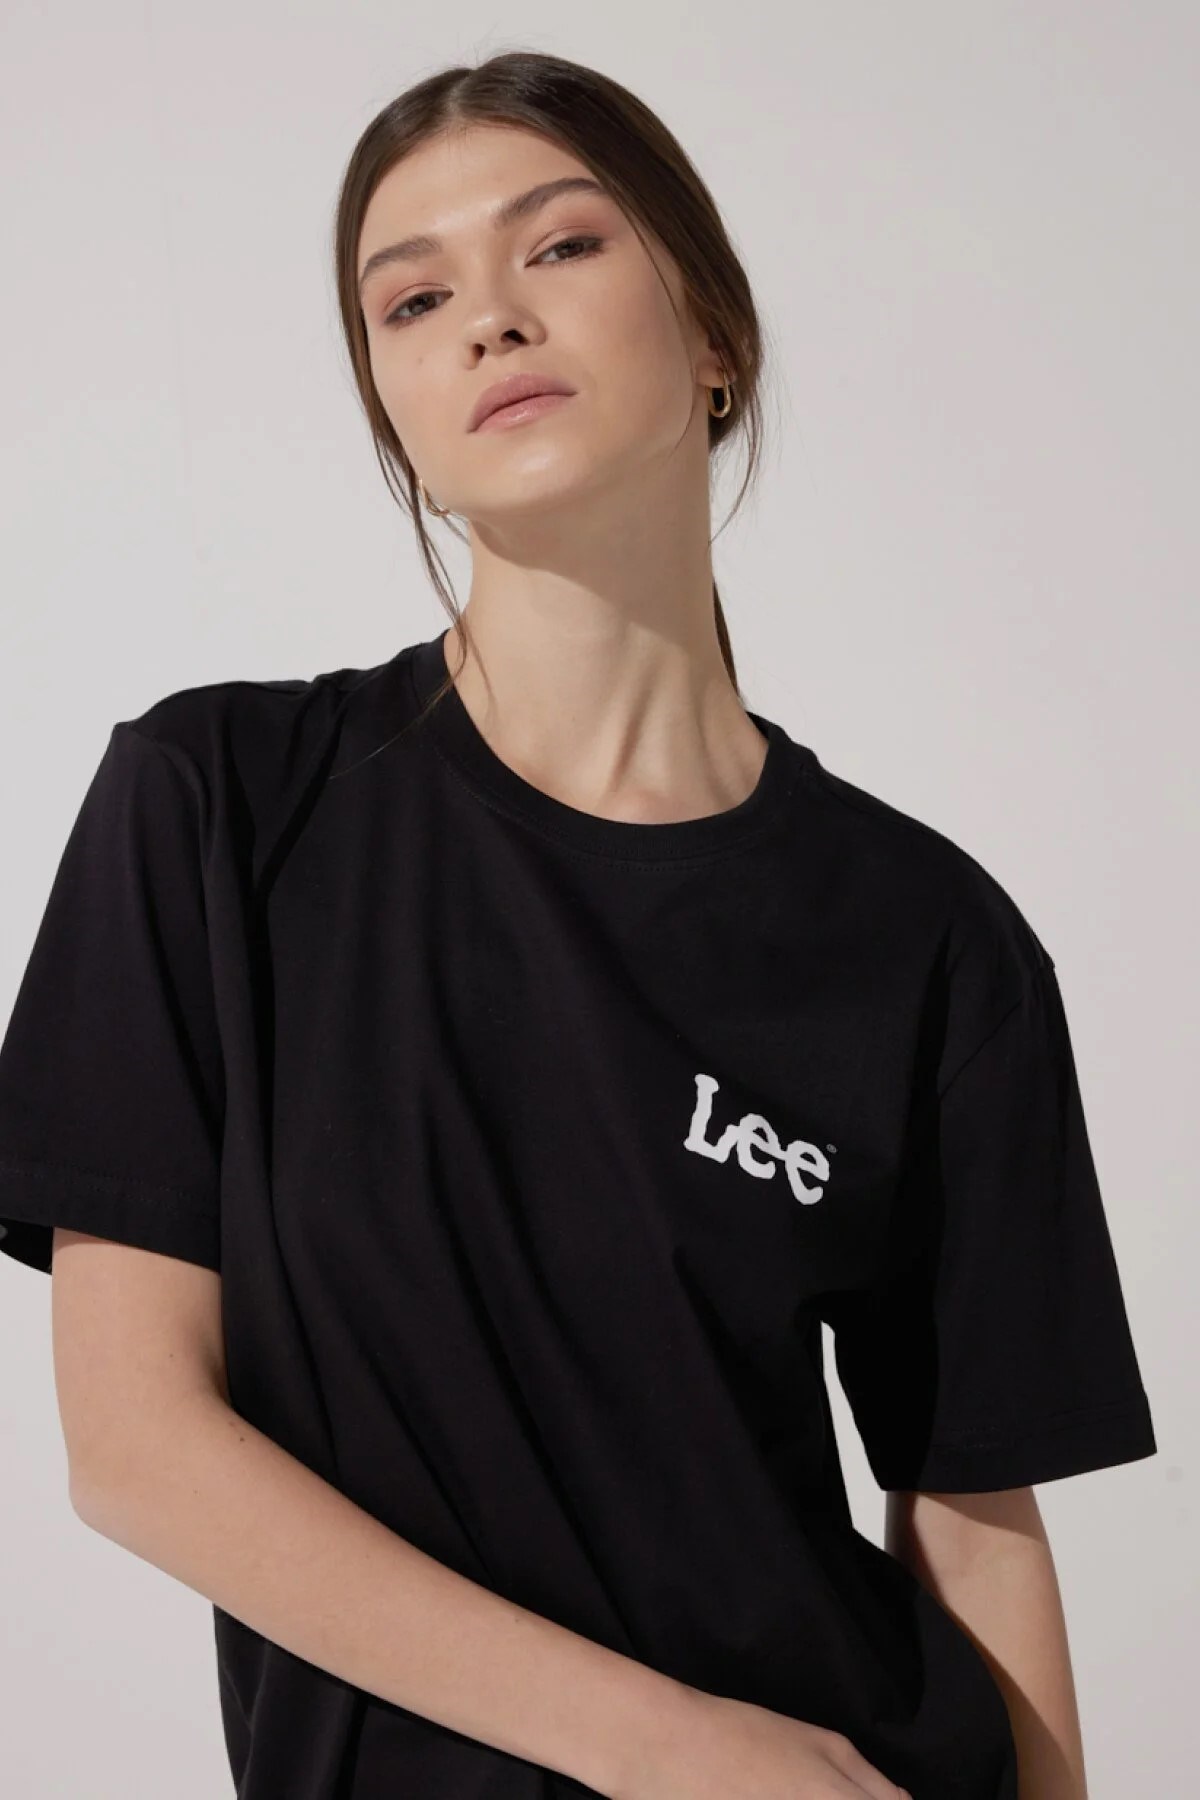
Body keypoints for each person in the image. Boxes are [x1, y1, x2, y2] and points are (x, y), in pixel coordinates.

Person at [0, 47, 1156, 1800]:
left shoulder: (930, 940)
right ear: (393, 411)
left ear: (715, 335)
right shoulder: (219, 806)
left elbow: (977, 1518)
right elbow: (138, 1448)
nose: (488, 319)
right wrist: (676, 1753)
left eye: (560, 246)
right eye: (414, 299)